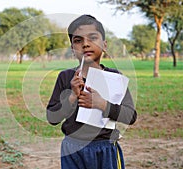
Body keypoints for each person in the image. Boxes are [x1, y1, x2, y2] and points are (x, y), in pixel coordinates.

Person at [46, 14, 137, 169]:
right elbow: (52, 117)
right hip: (73, 149)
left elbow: (130, 116)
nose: (85, 44)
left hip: (106, 148)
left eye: (92, 38)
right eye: (78, 40)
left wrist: (102, 104)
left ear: (104, 45)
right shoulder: (65, 77)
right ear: (72, 49)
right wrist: (72, 96)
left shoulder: (115, 78)